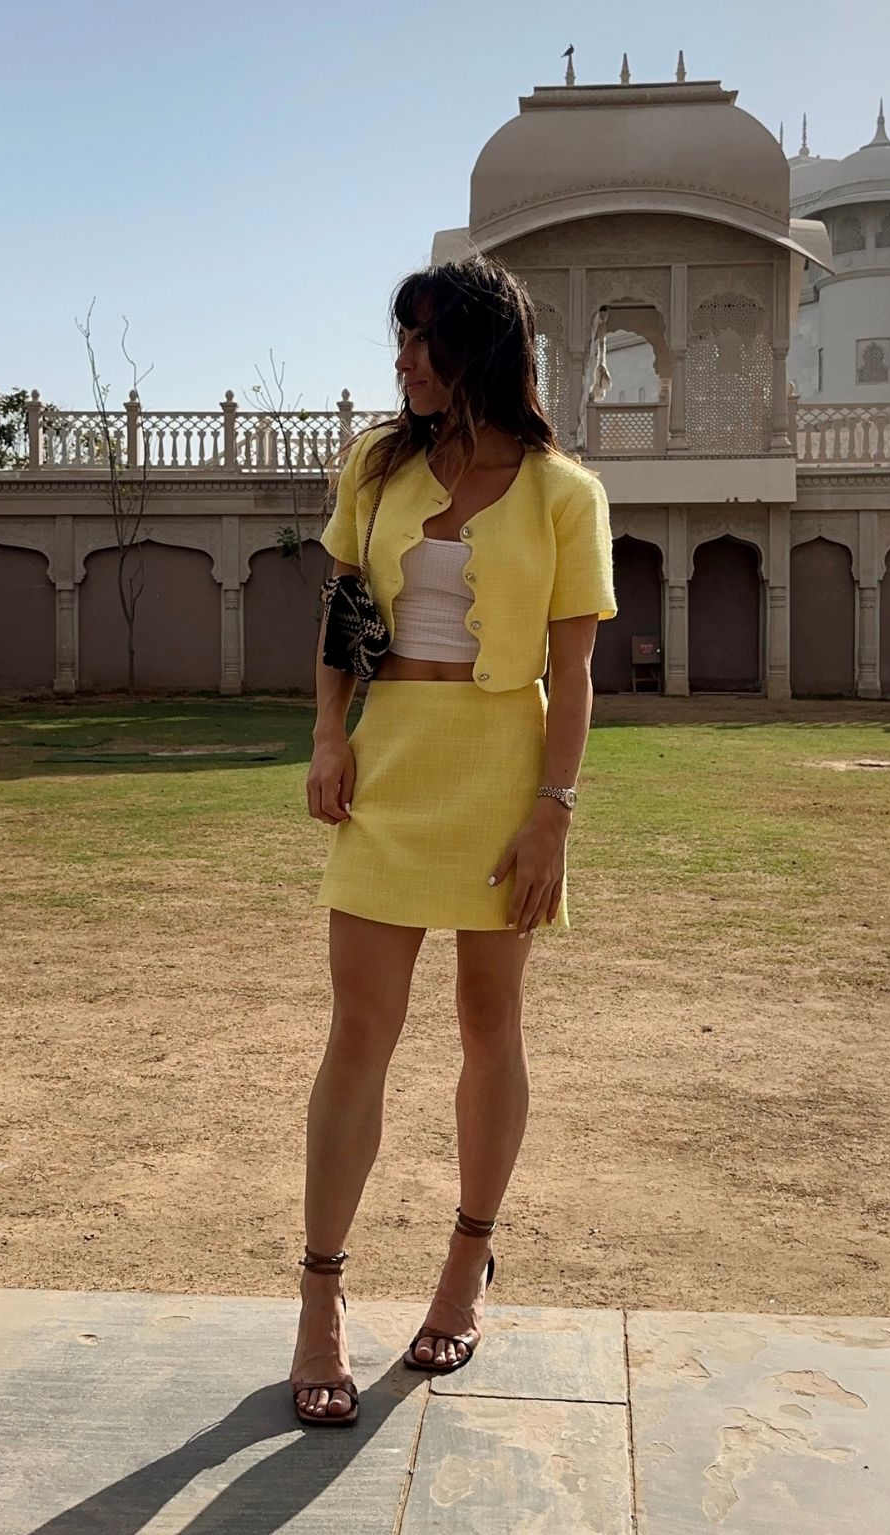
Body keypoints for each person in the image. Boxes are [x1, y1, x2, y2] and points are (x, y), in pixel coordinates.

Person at [289, 254, 617, 1426]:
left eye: (425, 339)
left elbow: (574, 671)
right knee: (357, 1035)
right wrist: (329, 735)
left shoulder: (565, 492)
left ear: (483, 348)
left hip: (503, 778)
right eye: (400, 338)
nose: (405, 360)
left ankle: (465, 1260)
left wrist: (553, 811)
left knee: (490, 1025)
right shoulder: (375, 468)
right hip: (390, 767)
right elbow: (343, 612)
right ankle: (320, 1293)